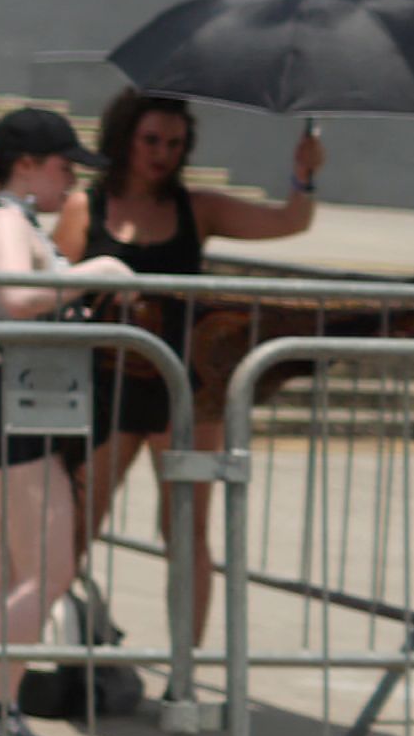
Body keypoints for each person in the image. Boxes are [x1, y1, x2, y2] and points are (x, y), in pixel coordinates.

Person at [85, 87, 322, 653]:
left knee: (186, 532)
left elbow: (290, 221)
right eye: (150, 139)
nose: (161, 152)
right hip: (106, 385)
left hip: (183, 390)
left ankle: (183, 669)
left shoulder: (197, 208)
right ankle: (70, 645)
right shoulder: (85, 206)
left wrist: (304, 175)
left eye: (174, 142)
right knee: (75, 524)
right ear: (125, 138)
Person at [0, 109, 136, 736]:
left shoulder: (10, 219)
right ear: (26, 163)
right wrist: (100, 268)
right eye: (63, 166)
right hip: (3, 401)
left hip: (5, 398)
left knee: (16, 571)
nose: (71, 180)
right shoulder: (4, 220)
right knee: (48, 568)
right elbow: (16, 296)